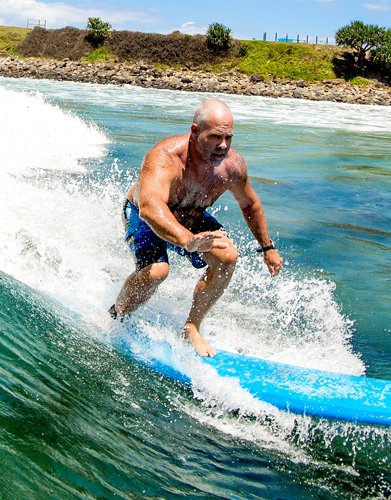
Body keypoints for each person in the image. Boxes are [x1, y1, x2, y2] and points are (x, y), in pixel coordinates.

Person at [111, 98, 282, 356]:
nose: (223, 146)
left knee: (227, 257)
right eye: (215, 137)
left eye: (228, 138)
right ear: (195, 131)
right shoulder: (165, 158)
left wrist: (267, 247)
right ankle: (116, 314)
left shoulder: (232, 167)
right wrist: (187, 239)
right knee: (157, 272)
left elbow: (250, 205)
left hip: (191, 217)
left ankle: (191, 327)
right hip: (145, 216)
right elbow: (149, 206)